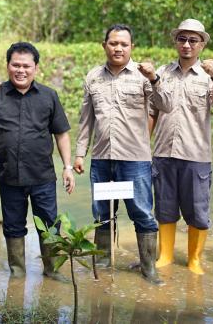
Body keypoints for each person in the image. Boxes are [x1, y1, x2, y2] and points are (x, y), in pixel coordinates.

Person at [0, 42, 74, 279]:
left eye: (26, 66)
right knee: (13, 225)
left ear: (35, 68)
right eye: (15, 65)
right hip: (8, 174)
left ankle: (52, 270)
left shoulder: (49, 95)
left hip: (42, 175)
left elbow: (61, 133)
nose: (21, 70)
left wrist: (67, 167)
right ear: (8, 66)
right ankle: (17, 272)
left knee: (49, 225)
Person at [75, 24, 161, 284]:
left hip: (135, 159)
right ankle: (102, 263)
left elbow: (165, 105)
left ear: (131, 47)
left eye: (124, 44)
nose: (118, 48)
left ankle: (149, 268)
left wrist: (155, 79)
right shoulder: (92, 77)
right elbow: (86, 119)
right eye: (113, 43)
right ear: (105, 45)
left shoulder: (143, 75)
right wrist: (80, 154)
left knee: (143, 213)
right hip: (101, 158)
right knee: (101, 213)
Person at [144, 18, 213, 275]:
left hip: (196, 154)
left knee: (198, 212)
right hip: (163, 153)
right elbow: (152, 112)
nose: (187, 45)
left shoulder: (211, 75)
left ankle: (194, 259)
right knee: (165, 209)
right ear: (175, 42)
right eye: (182, 39)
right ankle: (165, 255)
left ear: (202, 44)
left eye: (193, 40)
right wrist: (144, 149)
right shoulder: (162, 72)